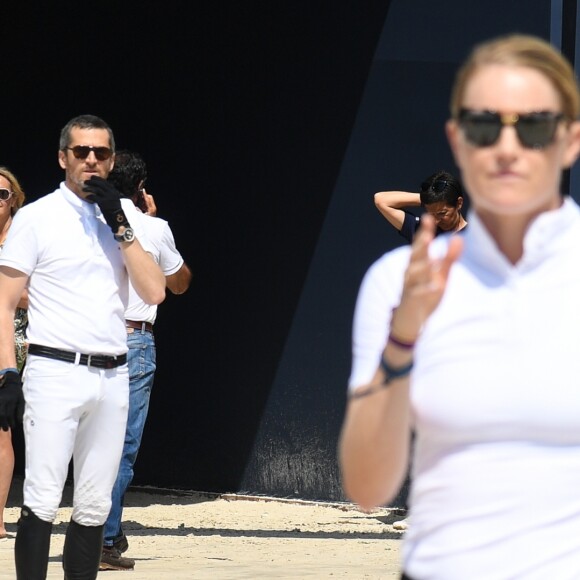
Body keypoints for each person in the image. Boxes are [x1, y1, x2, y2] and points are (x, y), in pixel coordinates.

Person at [339, 33, 580, 579]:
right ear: (458, 138)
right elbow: (367, 482)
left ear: (569, 141)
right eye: (484, 127)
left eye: (535, 126)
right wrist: (401, 346)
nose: (508, 148)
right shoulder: (395, 278)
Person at [0, 114, 165, 579]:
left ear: (112, 160)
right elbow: (4, 301)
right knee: (43, 497)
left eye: (101, 153)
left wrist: (119, 220)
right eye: (81, 152)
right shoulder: (37, 218)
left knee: (93, 503)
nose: (91, 160)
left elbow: (154, 291)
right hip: (56, 370)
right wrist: (7, 372)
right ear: (62, 157)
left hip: (113, 375)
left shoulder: (123, 221)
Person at [99, 150, 192, 571]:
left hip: (90, 336)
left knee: (89, 441)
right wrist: (151, 220)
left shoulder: (88, 222)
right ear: (140, 187)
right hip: (134, 338)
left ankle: (105, 532)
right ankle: (102, 540)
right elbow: (179, 284)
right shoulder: (153, 227)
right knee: (122, 446)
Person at [0, 167, 28, 540]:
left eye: (2, 194)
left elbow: (33, 293)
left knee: (1, 433)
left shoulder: (23, 241)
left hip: (10, 342)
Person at [374, 171, 467, 242]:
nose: (436, 220)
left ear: (459, 203)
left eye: (441, 213)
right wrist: (427, 200)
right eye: (431, 214)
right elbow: (380, 200)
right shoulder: (423, 232)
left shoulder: (475, 237)